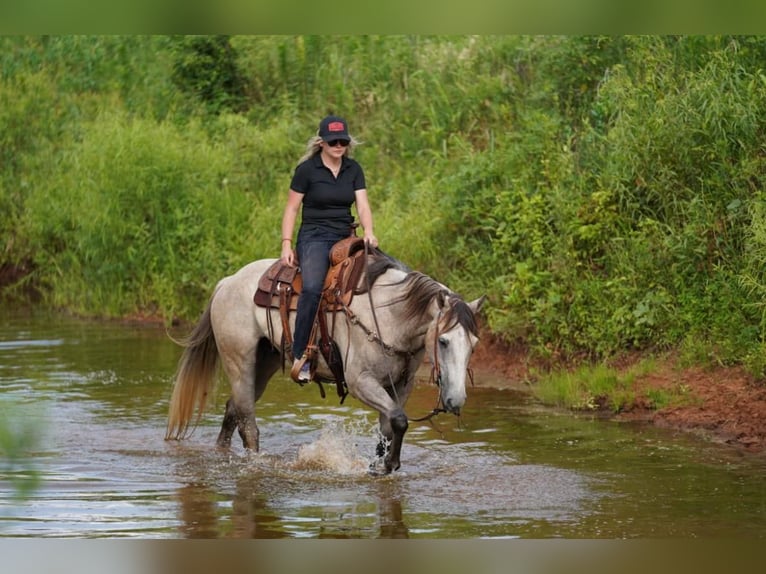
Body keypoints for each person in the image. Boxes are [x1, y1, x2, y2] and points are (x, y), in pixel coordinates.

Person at [280, 115, 378, 381]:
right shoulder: (307, 170)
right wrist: (286, 244)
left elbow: (363, 205)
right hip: (314, 236)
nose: (338, 145)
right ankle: (300, 354)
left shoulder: (353, 169)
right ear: (321, 142)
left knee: (375, 275)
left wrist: (369, 232)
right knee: (312, 288)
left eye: (343, 141)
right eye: (333, 141)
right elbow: (291, 208)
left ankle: (369, 350)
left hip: (345, 236)